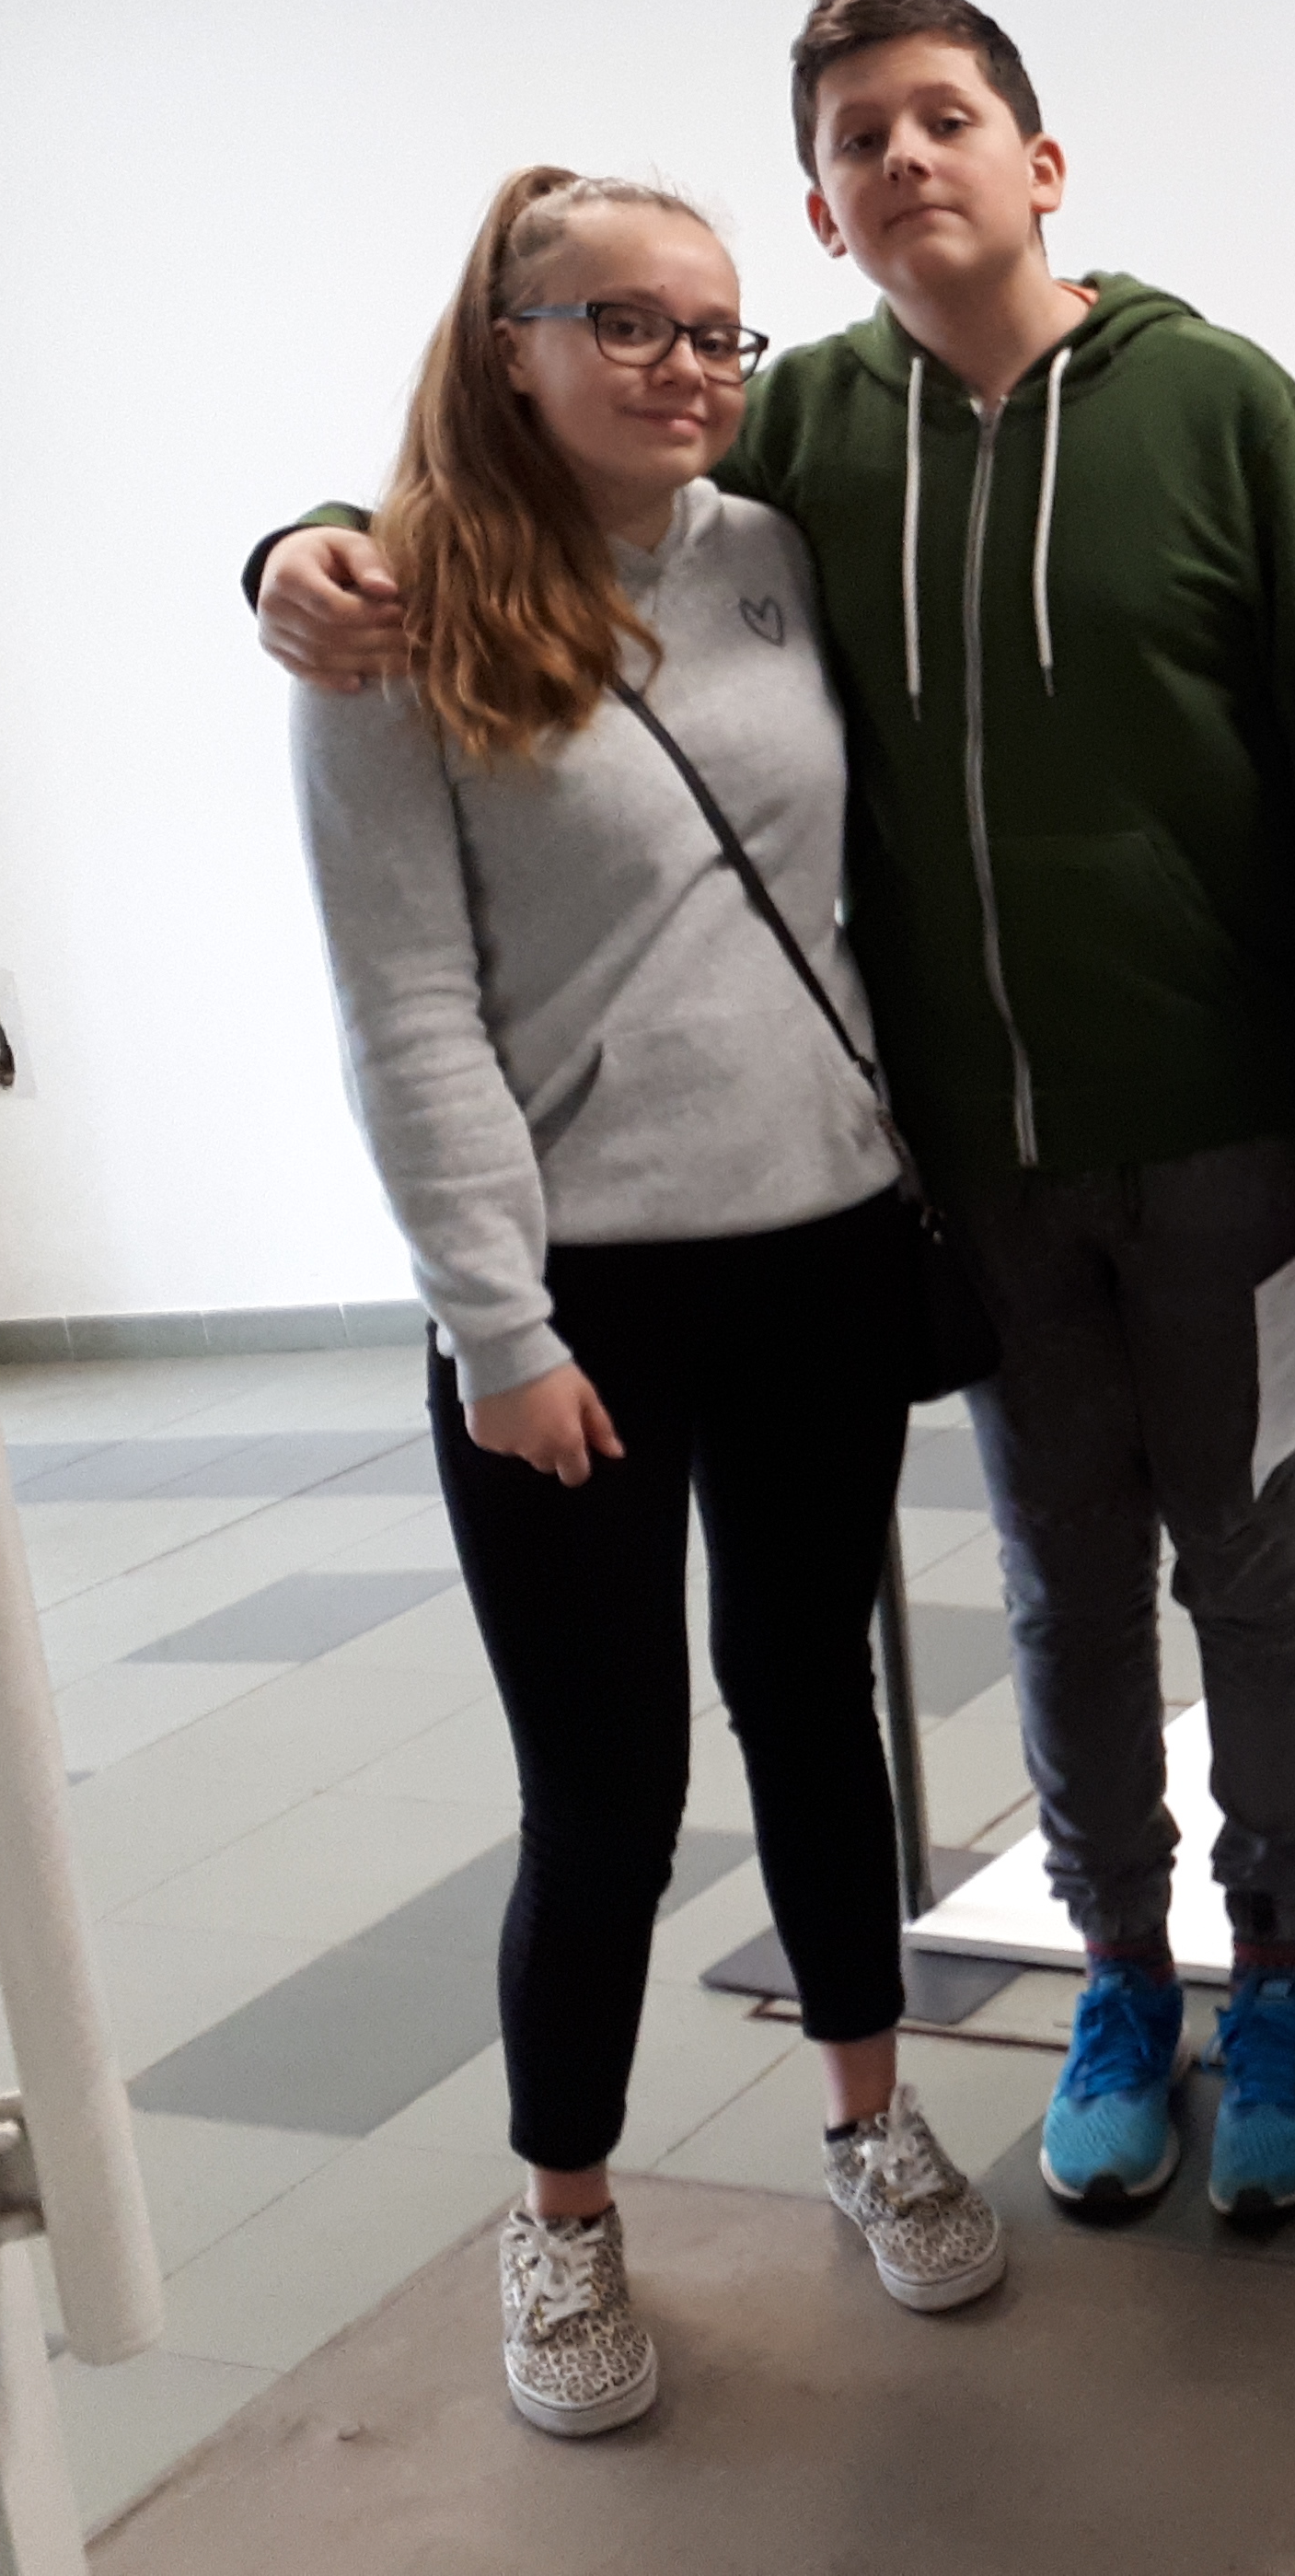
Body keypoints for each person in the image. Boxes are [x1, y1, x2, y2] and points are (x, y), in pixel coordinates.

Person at [255, 0, 1295, 2224]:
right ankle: (1120, 1975)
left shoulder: (1212, 404)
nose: (906, 157)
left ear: (1040, 161)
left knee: (1249, 1568)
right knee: (1056, 1585)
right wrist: (295, 542)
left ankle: (1283, 1972)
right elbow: (527, 510)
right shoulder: (808, 440)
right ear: (825, 206)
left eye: (945, 115)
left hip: (1211, 1143)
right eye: (860, 136)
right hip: (964, 1167)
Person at [291, 167, 1004, 2439]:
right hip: (576, 1299)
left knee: (816, 1706)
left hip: (820, 1246)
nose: (688, 365)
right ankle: (567, 2214)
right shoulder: (395, 624)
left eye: (717, 329)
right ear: (511, 344)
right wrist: (495, 1328)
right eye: (627, 323)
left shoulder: (767, 552)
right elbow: (408, 1008)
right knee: (604, 1785)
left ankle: (870, 2115)